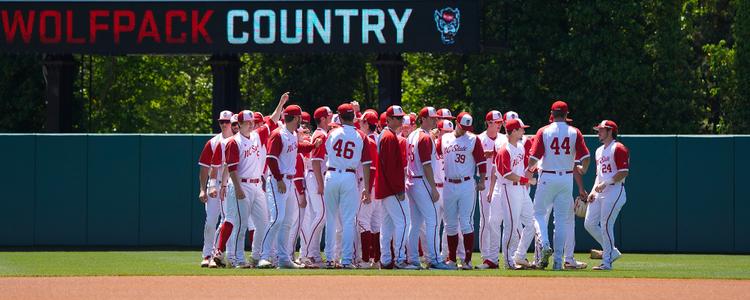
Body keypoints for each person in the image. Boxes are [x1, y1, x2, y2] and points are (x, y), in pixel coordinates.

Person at [527, 100, 590, 270]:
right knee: (561, 221)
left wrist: (528, 170)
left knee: (538, 214)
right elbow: (586, 158)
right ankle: (557, 262)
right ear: (567, 114)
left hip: (547, 176)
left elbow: (534, 158)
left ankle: (545, 243)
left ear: (552, 114)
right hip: (566, 178)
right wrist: (583, 169)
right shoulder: (574, 132)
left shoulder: (544, 131)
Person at [257, 103, 321, 269]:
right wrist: (278, 179)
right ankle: (264, 256)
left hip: (289, 181)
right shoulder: (278, 134)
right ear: (296, 117)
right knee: (277, 218)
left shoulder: (291, 134)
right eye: (300, 117)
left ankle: (284, 258)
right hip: (278, 181)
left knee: (287, 221)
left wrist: (312, 146)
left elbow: (297, 148)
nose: (301, 120)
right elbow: (271, 158)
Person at [322, 103, 373, 269]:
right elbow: (366, 164)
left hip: (332, 174)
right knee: (349, 220)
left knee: (330, 219)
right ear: (354, 117)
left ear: (340, 116)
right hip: (350, 176)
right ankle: (346, 260)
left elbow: (326, 152)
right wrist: (366, 187)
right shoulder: (361, 136)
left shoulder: (332, 133)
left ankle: (329, 259)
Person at [440, 112, 486, 270]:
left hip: (466, 183)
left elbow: (481, 161)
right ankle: (451, 260)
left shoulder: (473, 139)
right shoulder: (445, 138)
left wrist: (482, 180)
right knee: (450, 224)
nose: (465, 129)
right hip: (448, 183)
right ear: (457, 123)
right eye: (463, 126)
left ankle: (466, 261)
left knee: (466, 223)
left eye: (468, 127)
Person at [376, 106, 418, 270]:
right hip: (392, 189)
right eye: (398, 118)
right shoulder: (389, 137)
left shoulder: (386, 135)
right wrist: (399, 189)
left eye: (402, 118)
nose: (401, 121)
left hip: (386, 188)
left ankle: (386, 260)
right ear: (390, 119)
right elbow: (391, 168)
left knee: (386, 226)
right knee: (404, 222)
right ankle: (399, 260)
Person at [493, 118, 538, 270]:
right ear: (513, 131)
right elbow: (507, 174)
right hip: (509, 188)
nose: (523, 131)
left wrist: (530, 172)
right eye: (521, 129)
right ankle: (508, 261)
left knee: (532, 223)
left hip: (521, 189)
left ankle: (519, 254)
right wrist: (526, 180)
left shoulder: (520, 147)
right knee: (511, 227)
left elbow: (522, 169)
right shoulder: (504, 150)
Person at [585, 120, 629, 271]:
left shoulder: (618, 148)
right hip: (601, 191)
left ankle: (607, 261)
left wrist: (606, 183)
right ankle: (613, 251)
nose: (598, 132)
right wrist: (592, 192)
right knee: (589, 223)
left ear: (610, 131)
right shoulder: (598, 150)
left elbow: (624, 172)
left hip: (615, 191)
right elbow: (599, 175)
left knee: (605, 225)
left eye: (601, 130)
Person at [197, 110, 234, 267]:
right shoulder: (213, 142)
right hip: (216, 184)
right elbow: (205, 168)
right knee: (211, 221)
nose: (224, 124)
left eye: (227, 122)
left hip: (232, 186)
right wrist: (203, 189)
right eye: (221, 122)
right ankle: (207, 255)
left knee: (227, 221)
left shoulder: (238, 140)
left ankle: (219, 254)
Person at [477, 110, 504, 269]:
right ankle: (486, 257)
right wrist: (484, 154)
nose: (500, 124)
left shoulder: (503, 139)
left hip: (500, 183)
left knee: (498, 221)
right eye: (496, 122)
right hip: (485, 182)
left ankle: (499, 256)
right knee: (486, 220)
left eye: (501, 122)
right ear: (488, 123)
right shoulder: (479, 138)